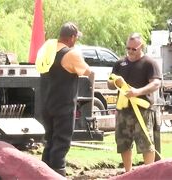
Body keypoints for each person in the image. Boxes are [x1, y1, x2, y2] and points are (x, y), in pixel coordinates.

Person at [40, 22, 94, 176]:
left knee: (49, 142)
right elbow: (87, 71)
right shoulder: (71, 54)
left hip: (46, 103)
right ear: (71, 37)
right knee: (61, 143)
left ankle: (42, 174)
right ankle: (57, 174)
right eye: (76, 38)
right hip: (63, 105)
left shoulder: (47, 52)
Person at [107, 33, 161, 172]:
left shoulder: (149, 63)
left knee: (146, 143)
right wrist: (114, 82)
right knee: (123, 143)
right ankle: (128, 173)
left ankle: (148, 173)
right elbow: (110, 83)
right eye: (128, 48)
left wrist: (138, 92)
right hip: (123, 110)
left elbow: (156, 83)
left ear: (141, 47)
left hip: (142, 110)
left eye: (133, 49)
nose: (130, 51)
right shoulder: (120, 63)